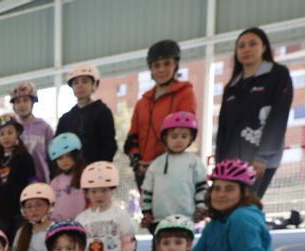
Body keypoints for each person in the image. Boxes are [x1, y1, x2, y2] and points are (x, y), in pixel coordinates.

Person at [215, 27, 293, 197]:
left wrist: (262, 156)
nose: (246, 49)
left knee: (247, 206)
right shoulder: (232, 86)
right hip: (231, 162)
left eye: (252, 44)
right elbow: (224, 128)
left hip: (260, 160)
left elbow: (278, 117)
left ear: (264, 47)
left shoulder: (278, 74)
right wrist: (220, 163)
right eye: (241, 46)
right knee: (229, 208)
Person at [125, 40, 197, 189]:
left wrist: (159, 162)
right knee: (148, 211)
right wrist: (136, 159)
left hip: (171, 168)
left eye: (167, 63)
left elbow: (185, 133)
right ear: (150, 69)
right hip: (144, 170)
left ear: (175, 65)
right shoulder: (142, 102)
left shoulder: (185, 94)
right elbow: (133, 136)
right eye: (156, 65)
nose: (161, 69)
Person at [140, 112, 208, 231]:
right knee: (160, 248)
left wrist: (201, 208)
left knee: (183, 247)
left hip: (186, 217)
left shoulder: (195, 162)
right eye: (174, 136)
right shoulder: (156, 164)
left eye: (184, 136)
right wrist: (146, 211)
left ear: (191, 138)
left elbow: (202, 187)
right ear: (165, 137)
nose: (179, 140)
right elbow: (146, 190)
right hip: (160, 218)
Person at [55, 64, 116, 165]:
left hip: (96, 171)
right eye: (75, 82)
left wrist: (101, 168)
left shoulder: (102, 112)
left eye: (85, 81)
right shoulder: (65, 119)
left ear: (94, 84)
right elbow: (58, 147)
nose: (80, 85)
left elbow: (109, 144)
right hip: (72, 172)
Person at [0, 114, 36, 241]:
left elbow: (32, 182)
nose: (6, 137)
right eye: (2, 134)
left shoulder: (25, 157)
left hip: (20, 211)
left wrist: (31, 205)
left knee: (19, 244)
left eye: (10, 132)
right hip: (3, 212)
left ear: (17, 133)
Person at [9, 81, 53, 183]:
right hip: (17, 183)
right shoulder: (11, 129)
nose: (21, 104)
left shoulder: (44, 127)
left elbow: (53, 158)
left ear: (32, 102)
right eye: (18, 101)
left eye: (25, 100)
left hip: (42, 182)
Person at [11, 183, 55, 251]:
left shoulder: (56, 231)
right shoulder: (22, 231)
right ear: (24, 211)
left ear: (50, 206)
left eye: (39, 205)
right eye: (29, 206)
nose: (34, 209)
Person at [48, 133, 87, 222]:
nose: (64, 160)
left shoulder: (84, 177)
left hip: (81, 223)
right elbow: (50, 205)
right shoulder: (55, 182)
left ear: (76, 155)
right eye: (60, 158)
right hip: (59, 225)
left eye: (69, 156)